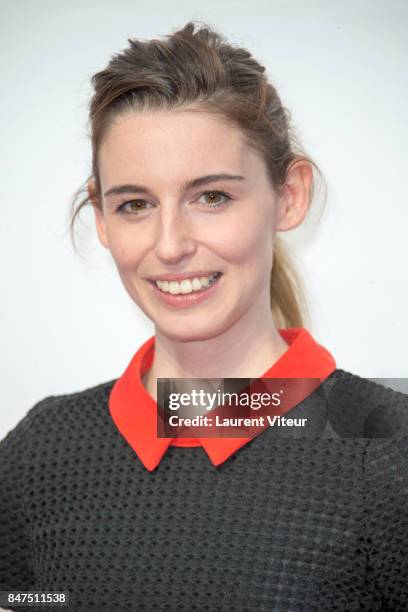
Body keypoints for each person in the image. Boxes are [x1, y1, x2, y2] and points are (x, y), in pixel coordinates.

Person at [0, 20, 407, 612]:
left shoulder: (386, 449)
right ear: (103, 217)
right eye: (135, 204)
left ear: (289, 195)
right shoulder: (44, 451)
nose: (170, 245)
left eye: (212, 196)